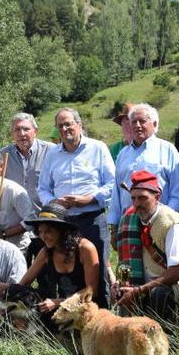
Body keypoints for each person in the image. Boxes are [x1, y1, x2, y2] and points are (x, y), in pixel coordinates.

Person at [38, 108, 114, 306]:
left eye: (69, 124)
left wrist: (89, 199)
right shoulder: (52, 154)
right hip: (63, 222)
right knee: (68, 271)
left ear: (79, 125)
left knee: (99, 271)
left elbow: (112, 184)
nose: (65, 129)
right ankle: (68, 322)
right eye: (60, 126)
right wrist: (54, 202)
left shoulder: (98, 148)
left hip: (92, 219)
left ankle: (102, 318)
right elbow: (43, 188)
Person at [113, 170, 179, 326]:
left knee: (159, 294)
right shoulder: (131, 219)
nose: (137, 204)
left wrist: (140, 290)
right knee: (124, 292)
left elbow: (178, 272)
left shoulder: (169, 223)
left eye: (142, 198)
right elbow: (125, 262)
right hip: (146, 284)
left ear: (157, 197)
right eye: (133, 198)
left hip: (177, 283)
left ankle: (166, 341)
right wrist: (120, 284)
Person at [19, 203, 100, 328]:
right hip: (62, 309)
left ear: (62, 230)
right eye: (40, 232)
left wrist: (58, 302)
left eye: (48, 231)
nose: (43, 237)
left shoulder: (85, 248)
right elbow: (24, 282)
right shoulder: (46, 252)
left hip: (87, 310)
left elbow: (91, 291)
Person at [109, 104, 179, 233]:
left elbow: (177, 191)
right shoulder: (123, 154)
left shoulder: (167, 149)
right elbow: (116, 192)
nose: (137, 125)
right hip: (128, 223)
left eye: (142, 121)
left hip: (160, 223)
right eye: (134, 122)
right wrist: (114, 225)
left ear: (154, 124)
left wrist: (166, 220)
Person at [0, 113, 55, 263]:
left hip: (45, 226)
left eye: (26, 129)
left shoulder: (52, 152)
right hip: (16, 232)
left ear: (35, 131)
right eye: (17, 130)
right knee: (19, 277)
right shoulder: (3, 155)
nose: (22, 134)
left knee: (46, 276)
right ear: (12, 133)